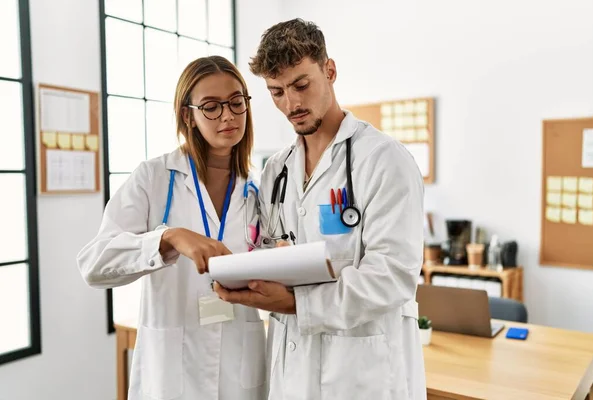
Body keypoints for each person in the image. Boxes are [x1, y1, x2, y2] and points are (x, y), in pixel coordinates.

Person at [214, 19, 427, 399]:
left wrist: (299, 303)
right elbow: (266, 249)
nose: (290, 104)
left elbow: (393, 275)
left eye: (301, 85)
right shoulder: (276, 170)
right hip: (292, 370)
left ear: (329, 70)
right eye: (276, 91)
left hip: (362, 374)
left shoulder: (384, 160)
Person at [77, 56, 266, 400]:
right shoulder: (154, 177)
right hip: (173, 374)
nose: (228, 115)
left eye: (237, 102)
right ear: (187, 115)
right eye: (211, 107)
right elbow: (94, 265)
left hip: (239, 366)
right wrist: (168, 238)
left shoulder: (257, 189)